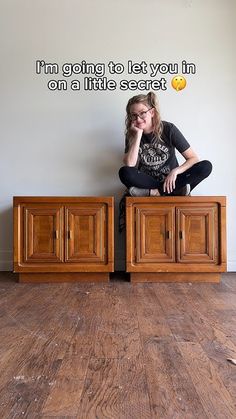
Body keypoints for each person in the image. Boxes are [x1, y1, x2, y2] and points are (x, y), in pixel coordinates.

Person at [119, 91, 212, 197]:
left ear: (152, 112)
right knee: (124, 172)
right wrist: (138, 135)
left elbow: (193, 158)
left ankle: (156, 193)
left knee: (205, 166)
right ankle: (173, 192)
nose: (138, 119)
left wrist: (176, 171)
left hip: (172, 180)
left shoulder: (168, 129)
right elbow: (130, 164)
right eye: (134, 115)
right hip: (148, 182)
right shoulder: (132, 134)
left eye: (142, 113)